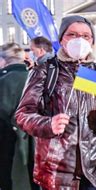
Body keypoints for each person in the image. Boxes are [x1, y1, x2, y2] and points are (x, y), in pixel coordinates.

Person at [15, 15, 96, 189]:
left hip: (95, 171)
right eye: (72, 34)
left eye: (85, 36)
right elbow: (23, 114)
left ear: (92, 42)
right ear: (61, 39)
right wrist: (48, 123)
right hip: (57, 171)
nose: (79, 40)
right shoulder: (46, 70)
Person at [0, 43, 33, 190]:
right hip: (36, 145)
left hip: (8, 147)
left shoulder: (3, 81)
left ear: (3, 60)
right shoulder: (35, 79)